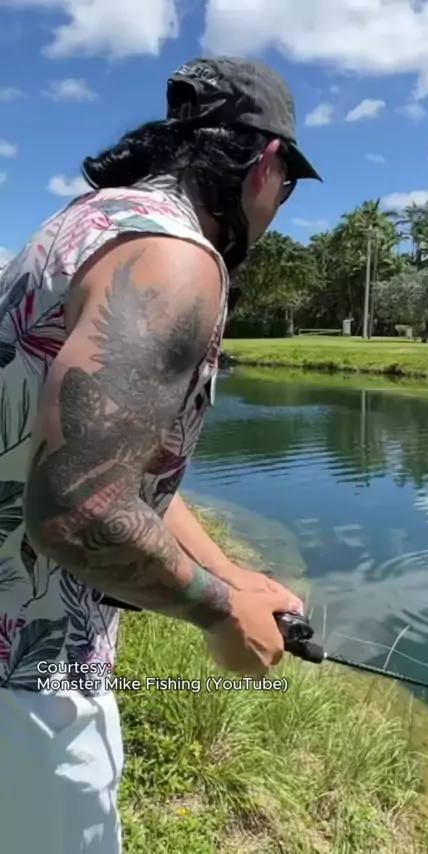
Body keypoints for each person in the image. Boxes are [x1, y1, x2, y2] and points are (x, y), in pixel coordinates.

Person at [0, 57, 322, 853]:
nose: (278, 206)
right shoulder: (175, 260)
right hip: (34, 684)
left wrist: (233, 574)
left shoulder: (87, 225)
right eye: (288, 185)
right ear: (266, 163)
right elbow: (79, 509)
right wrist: (220, 613)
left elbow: (113, 468)